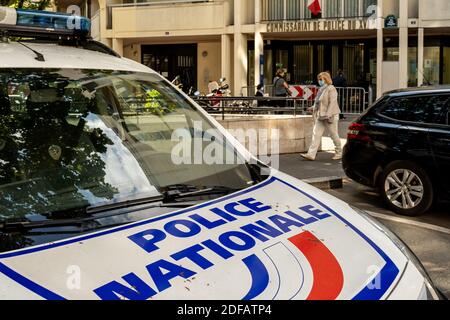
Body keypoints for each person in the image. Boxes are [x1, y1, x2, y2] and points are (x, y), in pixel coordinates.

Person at [301, 72, 343, 161]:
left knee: (333, 134)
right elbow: (318, 102)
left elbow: (333, 102)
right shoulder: (321, 89)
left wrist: (328, 114)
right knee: (316, 134)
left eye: (321, 79)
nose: (319, 81)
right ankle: (311, 154)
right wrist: (312, 108)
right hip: (321, 115)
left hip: (330, 116)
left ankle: (339, 152)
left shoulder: (331, 89)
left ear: (326, 79)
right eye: (319, 79)